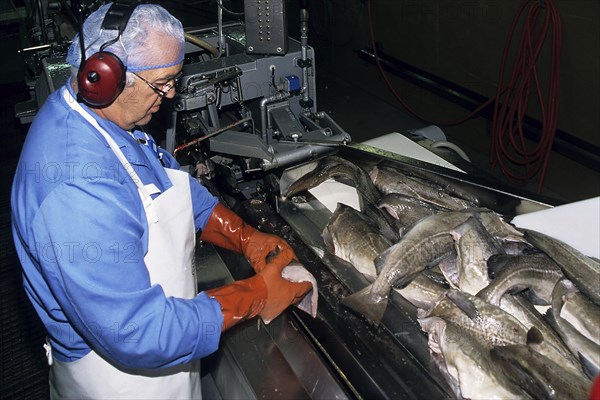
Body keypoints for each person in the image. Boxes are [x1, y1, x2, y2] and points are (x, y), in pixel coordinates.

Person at [10, 2, 312, 399]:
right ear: (104, 78)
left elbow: (169, 185)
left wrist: (244, 236)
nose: (171, 95)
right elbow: (139, 331)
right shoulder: (75, 188)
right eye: (162, 83)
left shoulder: (109, 121)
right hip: (117, 380)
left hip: (167, 358)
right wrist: (256, 296)